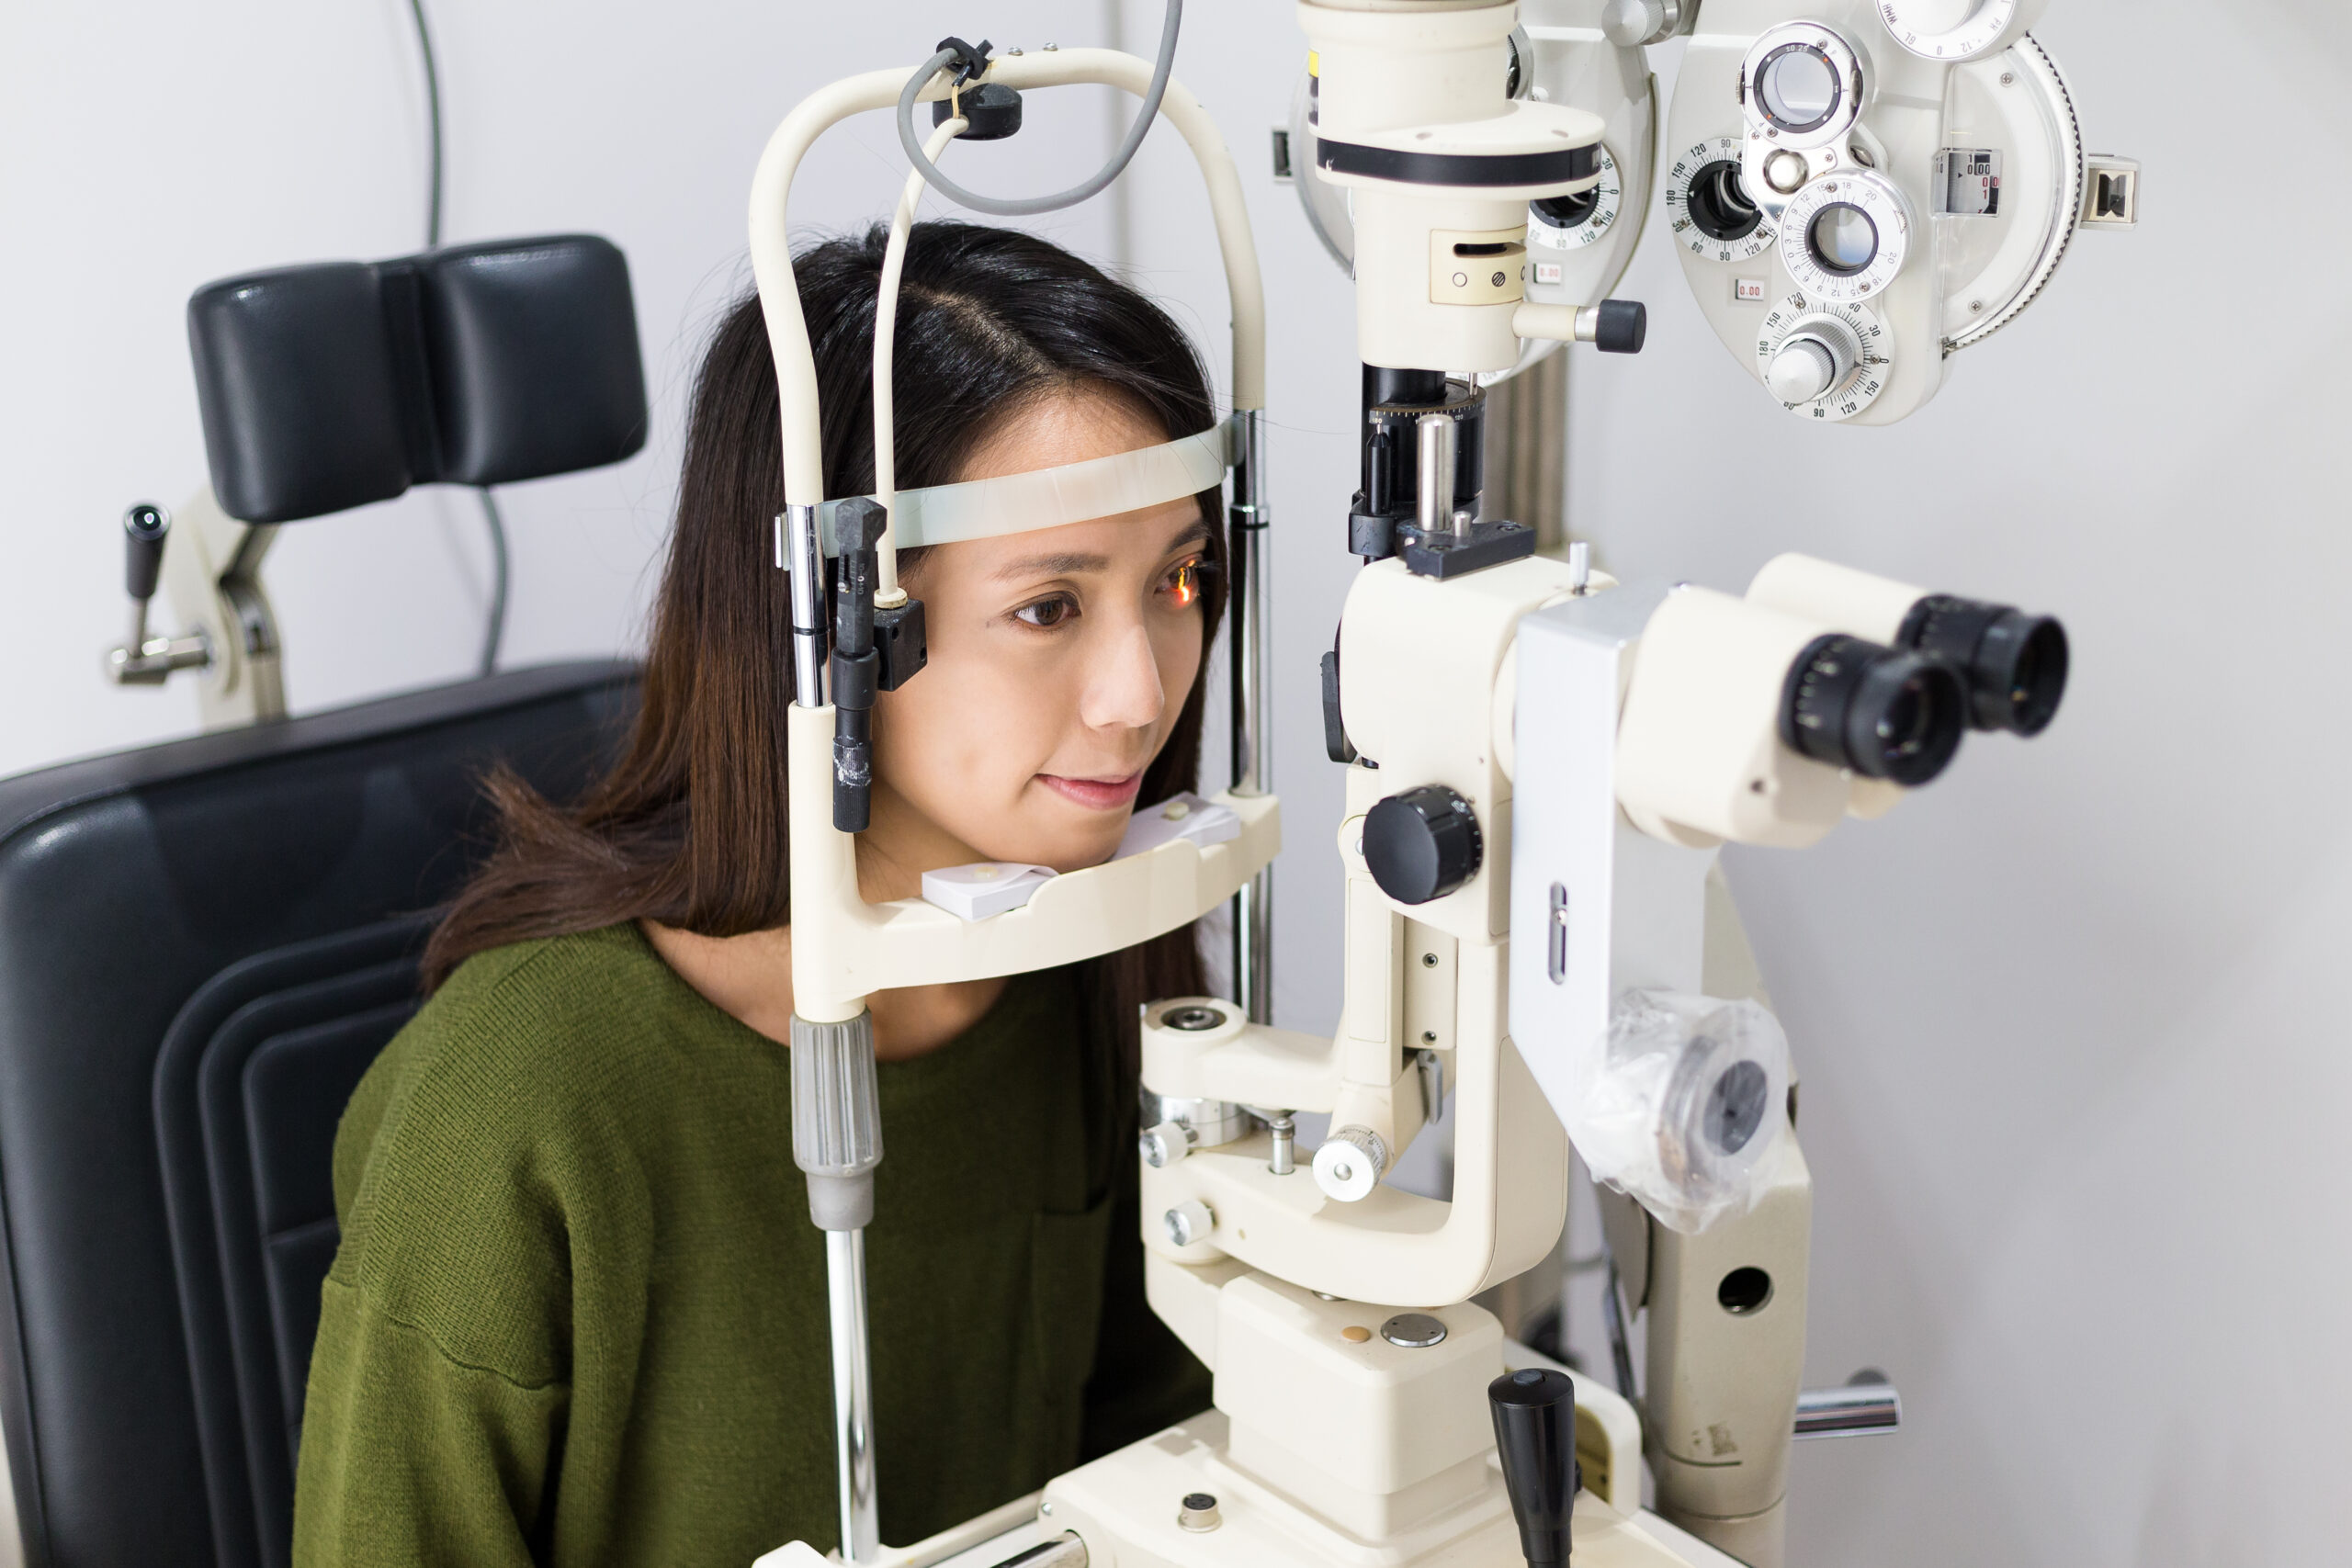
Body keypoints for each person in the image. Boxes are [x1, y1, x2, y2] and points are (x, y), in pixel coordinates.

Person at [292, 220, 1228, 1566]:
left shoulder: (1078, 969)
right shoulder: (518, 1101)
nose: (1142, 693)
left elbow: (1159, 1460)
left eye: (1177, 581)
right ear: (835, 627)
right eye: (1049, 608)